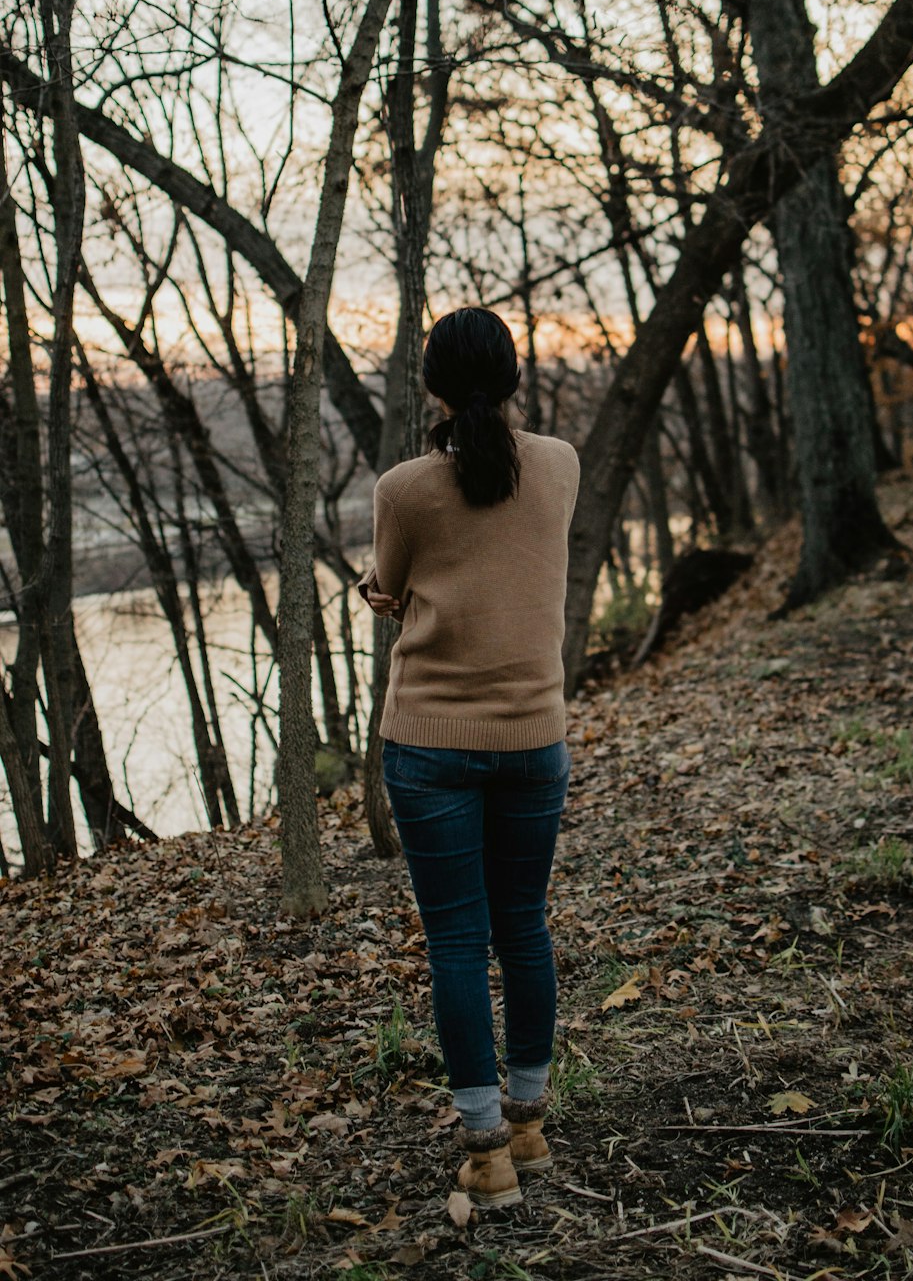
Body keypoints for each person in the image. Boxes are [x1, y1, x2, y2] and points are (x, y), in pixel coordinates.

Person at [358, 306, 580, 1207]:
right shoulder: (560, 465)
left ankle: (485, 1154)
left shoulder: (403, 488)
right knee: (522, 925)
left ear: (431, 387)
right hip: (535, 736)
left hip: (431, 743)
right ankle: (529, 1130)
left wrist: (380, 593)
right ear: (517, 374)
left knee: (457, 937)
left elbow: (392, 584)